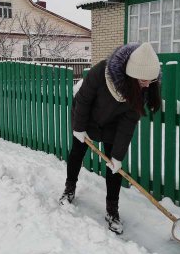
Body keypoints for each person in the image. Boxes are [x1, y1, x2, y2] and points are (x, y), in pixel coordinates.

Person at [59, 42, 162, 235]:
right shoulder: (100, 73)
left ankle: (112, 210)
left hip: (113, 126)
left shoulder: (142, 89)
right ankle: (69, 188)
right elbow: (83, 100)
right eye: (143, 80)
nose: (148, 85)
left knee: (114, 169)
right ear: (131, 74)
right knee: (77, 154)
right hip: (87, 119)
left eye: (151, 80)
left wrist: (117, 156)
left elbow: (128, 123)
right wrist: (79, 128)